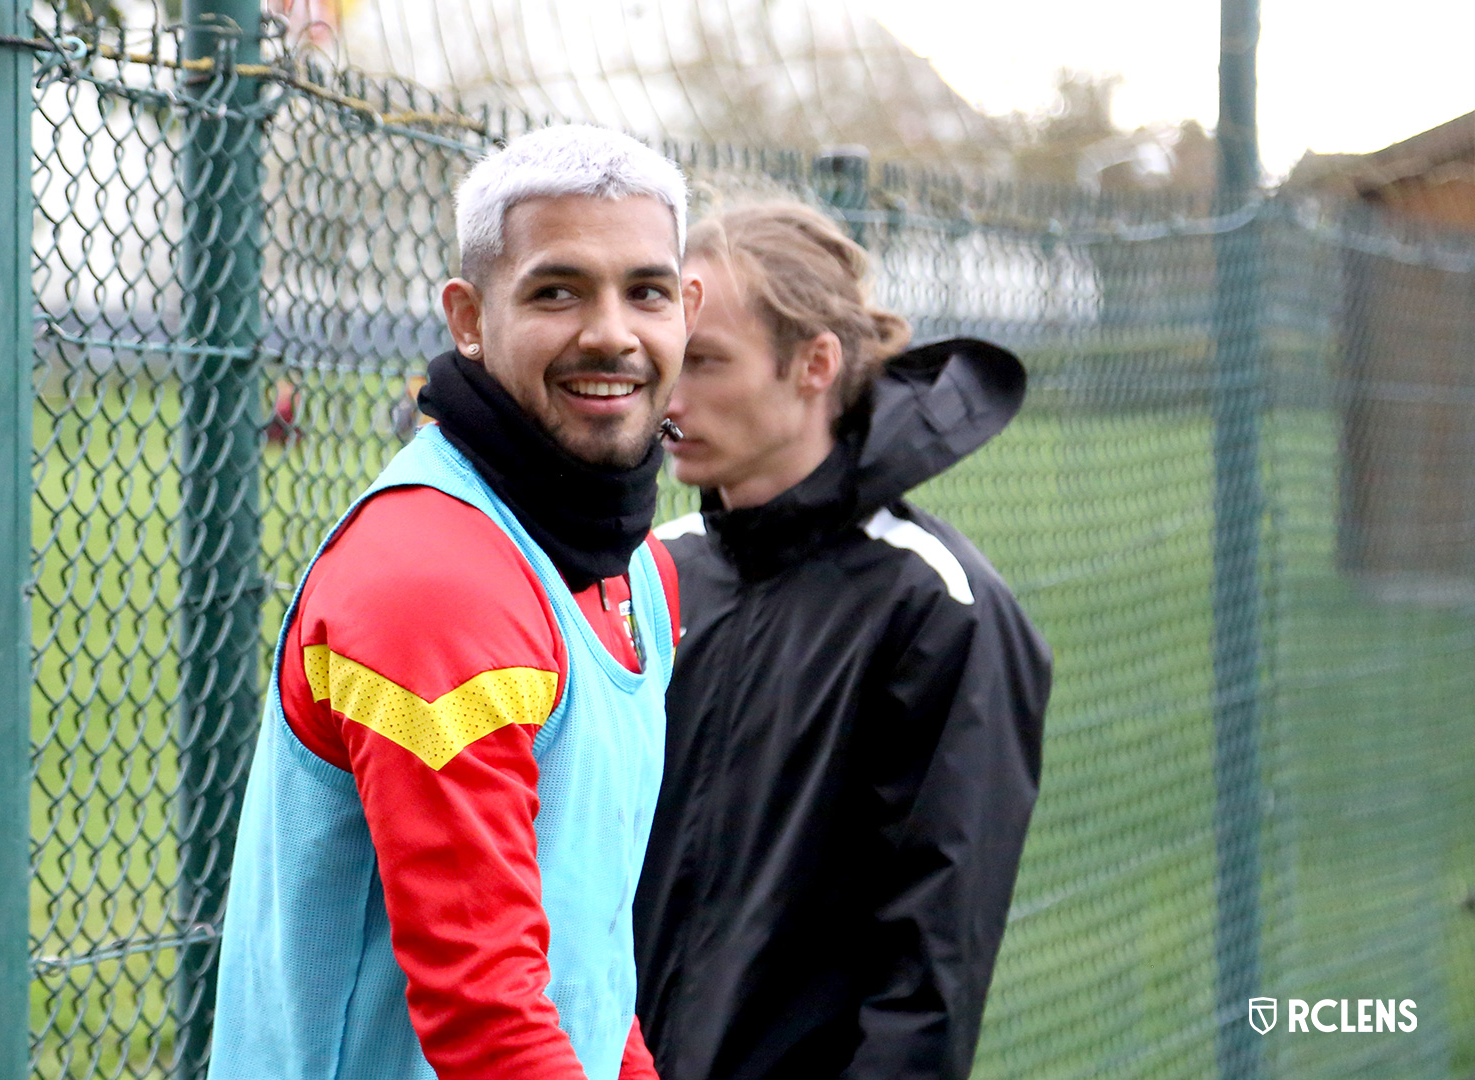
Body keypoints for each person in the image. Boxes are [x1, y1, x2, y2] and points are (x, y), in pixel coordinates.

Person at [212, 125, 702, 1080]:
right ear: (470, 318)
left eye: (644, 291)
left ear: (687, 309)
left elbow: (590, 977)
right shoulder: (431, 584)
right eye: (557, 291)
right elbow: (487, 1017)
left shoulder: (639, 569)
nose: (611, 331)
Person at [633, 202, 1052, 1080]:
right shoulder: (648, 577)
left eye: (706, 363)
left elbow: (930, 972)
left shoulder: (939, 609)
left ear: (815, 363)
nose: (670, 401)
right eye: (669, 360)